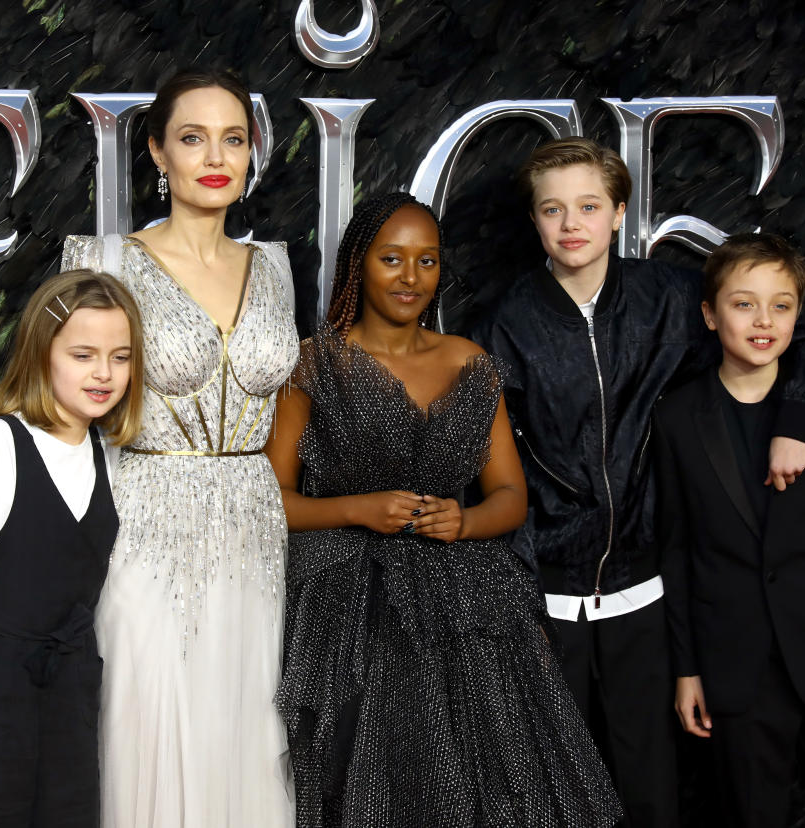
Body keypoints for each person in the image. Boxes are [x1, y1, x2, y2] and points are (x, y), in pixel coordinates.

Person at [0, 68, 299, 826]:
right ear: (157, 153)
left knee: (244, 734)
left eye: (234, 138)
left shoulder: (278, 268)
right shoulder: (105, 261)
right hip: (142, 527)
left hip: (254, 534)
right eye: (192, 138)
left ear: (253, 153)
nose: (215, 156)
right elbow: (52, 408)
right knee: (138, 728)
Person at [471, 138, 805, 827]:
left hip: (645, 593)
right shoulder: (508, 324)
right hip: (549, 598)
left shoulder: (670, 299)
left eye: (588, 205)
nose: (571, 224)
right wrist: (517, 598)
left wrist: (795, 417)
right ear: (533, 222)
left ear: (619, 212)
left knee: (652, 796)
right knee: (545, 796)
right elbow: (489, 469)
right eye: (552, 209)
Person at [266, 192, 623, 827]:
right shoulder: (314, 363)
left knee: (495, 792)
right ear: (358, 264)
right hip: (350, 611)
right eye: (392, 259)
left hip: (467, 608)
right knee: (372, 786)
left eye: (426, 261)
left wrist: (465, 522)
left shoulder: (469, 361)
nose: (410, 278)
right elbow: (271, 503)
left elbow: (511, 498)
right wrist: (357, 509)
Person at [654, 232, 805, 827]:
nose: (764, 321)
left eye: (781, 305)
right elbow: (677, 550)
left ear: (796, 316)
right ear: (710, 315)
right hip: (734, 668)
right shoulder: (678, 416)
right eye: (743, 304)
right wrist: (687, 670)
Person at [0, 269, 143, 827]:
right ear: (43, 353)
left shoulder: (108, 455)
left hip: (69, 699)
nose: (104, 374)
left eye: (120, 356)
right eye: (83, 354)